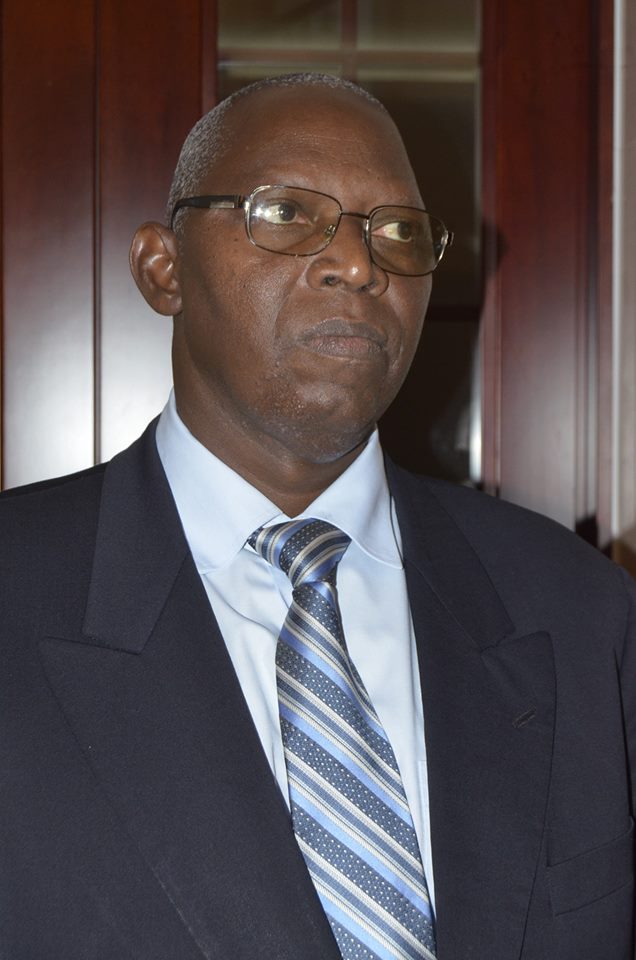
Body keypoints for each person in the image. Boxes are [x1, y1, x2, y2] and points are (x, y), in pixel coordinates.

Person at [1, 73, 634, 960]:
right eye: (287, 213)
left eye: (398, 231)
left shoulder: (579, 611)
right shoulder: (18, 590)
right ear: (163, 269)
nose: (359, 264)